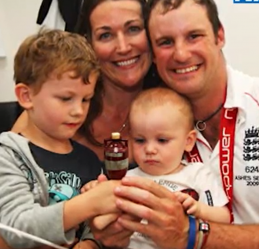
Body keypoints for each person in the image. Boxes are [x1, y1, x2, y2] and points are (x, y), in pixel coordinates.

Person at [89, 0, 259, 249]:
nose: (181, 54)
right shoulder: (154, 123)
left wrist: (194, 235)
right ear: (153, 55)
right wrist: (111, 233)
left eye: (194, 36)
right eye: (165, 42)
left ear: (219, 35)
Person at [13, 0, 162, 162]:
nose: (123, 47)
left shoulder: (175, 106)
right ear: (88, 42)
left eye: (133, 29)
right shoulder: (52, 110)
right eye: (105, 35)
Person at [0, 29, 119, 249]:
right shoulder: (7, 155)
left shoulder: (89, 160)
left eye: (86, 99)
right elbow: (15, 228)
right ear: (26, 96)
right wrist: (88, 203)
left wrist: (91, 243)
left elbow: (96, 229)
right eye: (66, 98)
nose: (78, 111)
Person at [83, 87, 230, 249]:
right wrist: (95, 191)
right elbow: (105, 218)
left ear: (188, 141)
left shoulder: (198, 174)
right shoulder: (125, 179)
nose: (149, 149)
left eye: (161, 140)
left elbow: (225, 217)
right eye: (140, 140)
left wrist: (200, 210)